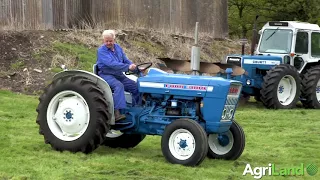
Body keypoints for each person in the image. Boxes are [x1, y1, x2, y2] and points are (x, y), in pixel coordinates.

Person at [96, 29, 140, 121]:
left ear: (114, 39)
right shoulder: (101, 51)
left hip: (118, 74)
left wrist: (133, 66)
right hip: (106, 74)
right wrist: (128, 67)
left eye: (110, 41)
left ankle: (137, 108)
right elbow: (112, 64)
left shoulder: (118, 48)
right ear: (103, 41)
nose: (108, 43)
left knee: (135, 86)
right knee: (118, 86)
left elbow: (125, 59)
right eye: (106, 41)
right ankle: (117, 113)